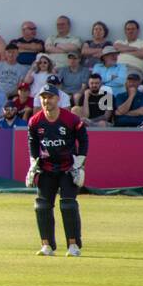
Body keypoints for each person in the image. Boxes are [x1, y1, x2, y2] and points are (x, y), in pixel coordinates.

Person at [27, 85, 87, 256]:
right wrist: (33, 162)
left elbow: (83, 140)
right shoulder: (35, 121)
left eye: (50, 97)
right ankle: (47, 246)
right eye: (44, 97)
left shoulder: (71, 119)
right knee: (42, 206)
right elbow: (32, 141)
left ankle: (73, 246)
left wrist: (80, 162)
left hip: (68, 167)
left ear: (58, 99)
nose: (47, 101)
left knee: (68, 205)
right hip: (46, 168)